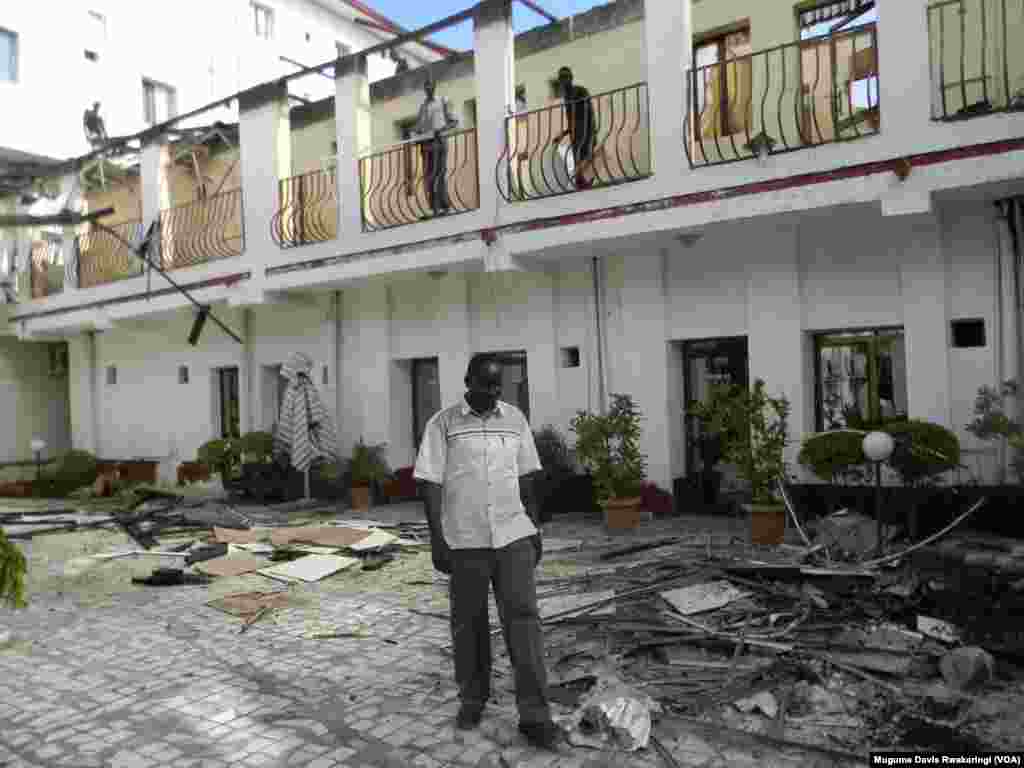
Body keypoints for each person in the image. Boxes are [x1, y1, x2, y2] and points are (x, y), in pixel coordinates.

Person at [414, 353, 560, 751]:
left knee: (524, 623)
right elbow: (430, 484)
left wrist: (535, 527)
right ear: (468, 381)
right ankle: (472, 700)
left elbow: (528, 476)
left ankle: (535, 715)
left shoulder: (514, 420)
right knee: (468, 624)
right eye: (485, 384)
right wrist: (437, 539)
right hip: (465, 540)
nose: (492, 392)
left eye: (497, 385)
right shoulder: (443, 424)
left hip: (513, 536)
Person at [415, 76, 459, 217]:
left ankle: (444, 207)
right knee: (429, 177)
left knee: (439, 174)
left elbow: (454, 122)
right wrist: (414, 133)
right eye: (426, 86)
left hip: (439, 143)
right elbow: (419, 127)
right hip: (426, 145)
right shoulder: (423, 106)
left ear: (435, 86)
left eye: (430, 85)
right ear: (424, 88)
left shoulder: (442, 101)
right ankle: (434, 208)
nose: (428, 88)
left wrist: (441, 130)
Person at [550, 66, 596, 190]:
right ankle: (581, 189)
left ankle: (587, 189)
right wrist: (563, 134)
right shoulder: (566, 97)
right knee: (578, 168)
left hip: (586, 133)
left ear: (571, 78)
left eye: (566, 77)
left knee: (586, 165)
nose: (564, 80)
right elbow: (572, 120)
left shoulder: (581, 91)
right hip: (575, 136)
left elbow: (589, 115)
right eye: (561, 78)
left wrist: (591, 135)